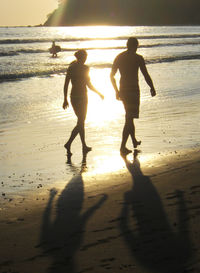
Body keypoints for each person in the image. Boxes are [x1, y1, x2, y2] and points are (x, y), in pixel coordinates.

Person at [110, 37, 156, 155]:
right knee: (129, 118)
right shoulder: (138, 58)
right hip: (134, 90)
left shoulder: (119, 57)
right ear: (135, 46)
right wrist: (152, 87)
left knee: (129, 117)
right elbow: (145, 74)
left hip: (123, 90)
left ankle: (133, 141)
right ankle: (122, 146)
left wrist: (116, 90)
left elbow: (111, 76)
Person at [63, 49, 104, 155]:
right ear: (81, 57)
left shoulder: (75, 68)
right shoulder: (78, 68)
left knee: (81, 122)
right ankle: (68, 143)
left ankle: (84, 145)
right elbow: (67, 83)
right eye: (85, 56)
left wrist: (98, 93)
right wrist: (64, 99)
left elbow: (87, 84)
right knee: (81, 121)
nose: (86, 58)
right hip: (78, 97)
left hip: (78, 96)